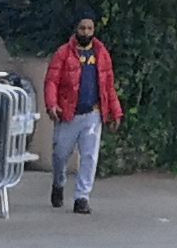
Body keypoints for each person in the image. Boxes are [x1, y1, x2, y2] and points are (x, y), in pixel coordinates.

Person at [42, 14, 120, 213]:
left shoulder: (101, 54)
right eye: (82, 28)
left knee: (89, 157)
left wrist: (115, 112)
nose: (86, 32)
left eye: (89, 28)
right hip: (69, 114)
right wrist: (52, 105)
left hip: (93, 113)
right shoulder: (63, 53)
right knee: (60, 155)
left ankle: (82, 198)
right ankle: (58, 184)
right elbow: (52, 81)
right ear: (76, 29)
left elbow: (108, 85)